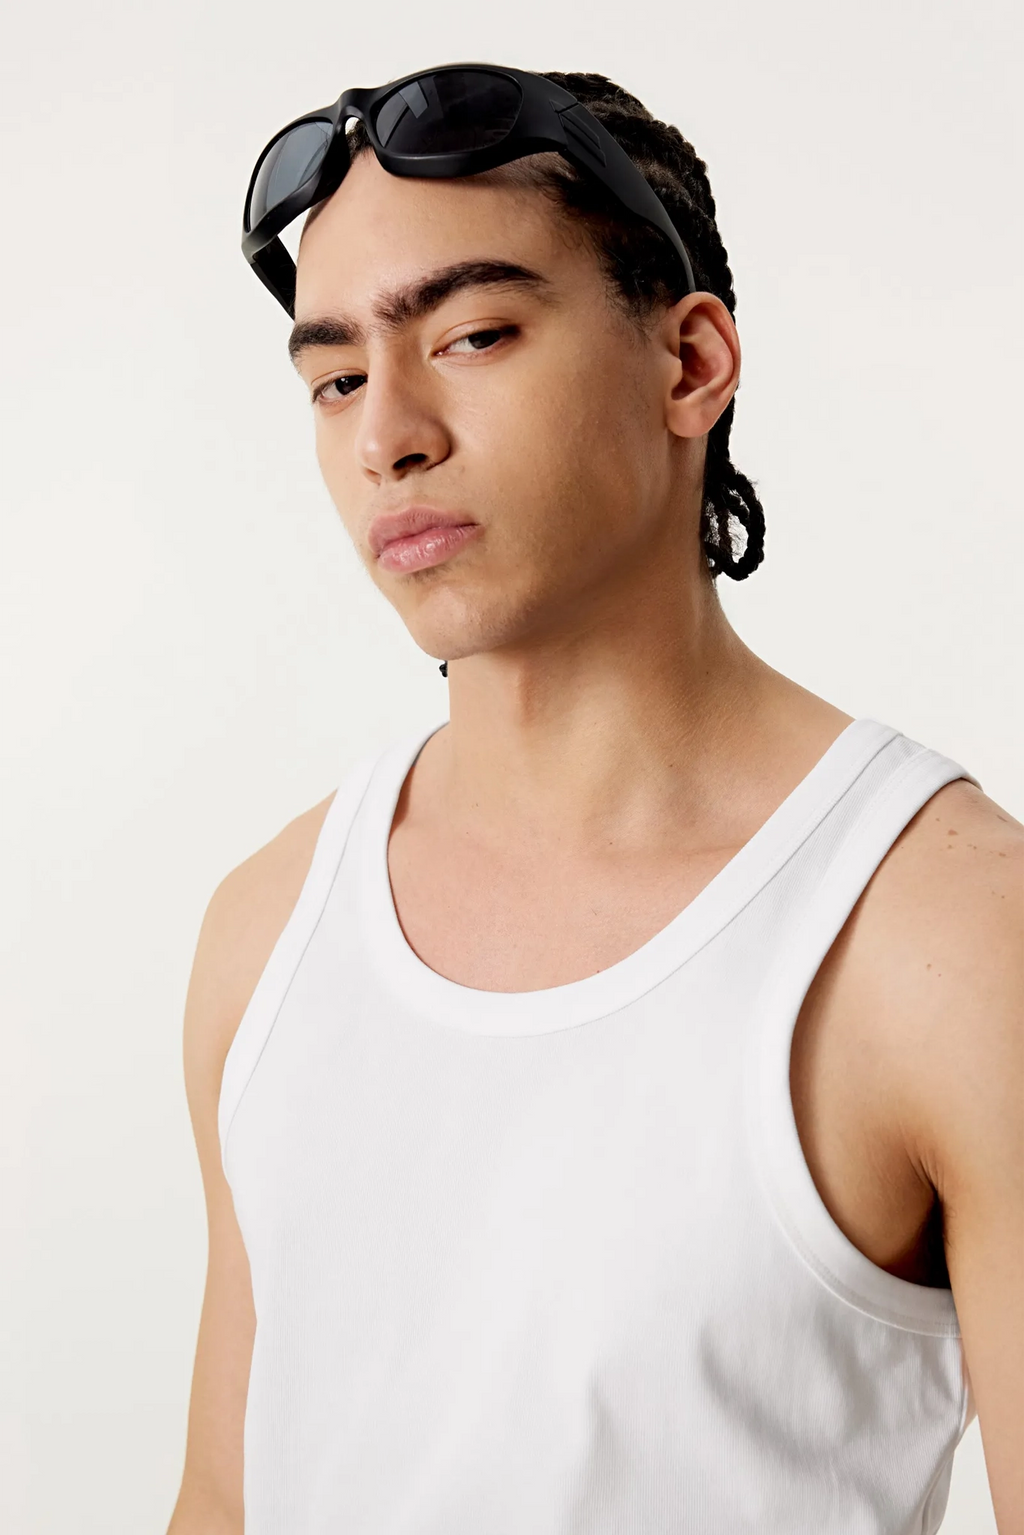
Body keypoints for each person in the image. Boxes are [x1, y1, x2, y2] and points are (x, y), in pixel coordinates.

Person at [167, 65, 1023, 1535]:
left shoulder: (945, 940)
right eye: (337, 378)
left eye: (476, 333)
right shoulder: (269, 932)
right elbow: (220, 1502)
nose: (390, 433)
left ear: (691, 364)